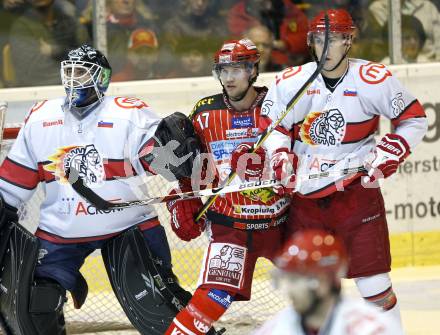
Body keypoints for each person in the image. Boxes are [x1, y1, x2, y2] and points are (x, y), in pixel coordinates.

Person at [254, 8, 427, 330]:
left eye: (334, 39)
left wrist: (392, 149)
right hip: (304, 200)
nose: (326, 47)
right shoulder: (291, 81)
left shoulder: (374, 79)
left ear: (349, 41)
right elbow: (272, 128)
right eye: (319, 39)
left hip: (356, 195)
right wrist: (279, 156)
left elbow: (414, 119)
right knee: (307, 288)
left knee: (374, 285)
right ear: (310, 41)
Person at [0, 44, 192, 334]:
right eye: (70, 72)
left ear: (101, 77)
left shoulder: (127, 113)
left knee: (160, 305)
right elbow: (13, 184)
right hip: (62, 230)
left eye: (82, 72)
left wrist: (171, 156)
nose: (73, 79)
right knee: (33, 305)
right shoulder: (40, 117)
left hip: (128, 225)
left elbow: (157, 158)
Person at [164, 39, 290, 335]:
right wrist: (183, 195)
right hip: (230, 225)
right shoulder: (204, 113)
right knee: (214, 296)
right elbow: (193, 166)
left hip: (280, 223)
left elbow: (297, 156)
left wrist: (271, 163)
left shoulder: (278, 107)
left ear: (253, 70)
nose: (229, 78)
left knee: (316, 288)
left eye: (237, 70)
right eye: (224, 70)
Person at [254, 229, 403, 334]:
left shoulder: (371, 329)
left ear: (325, 280)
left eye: (296, 280)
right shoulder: (276, 328)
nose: (290, 290)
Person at [8, 0, 88, 87]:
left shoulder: (69, 22)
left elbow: (89, 56)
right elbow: (32, 75)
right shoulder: (21, 28)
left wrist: (55, 50)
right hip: (40, 93)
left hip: (76, 88)